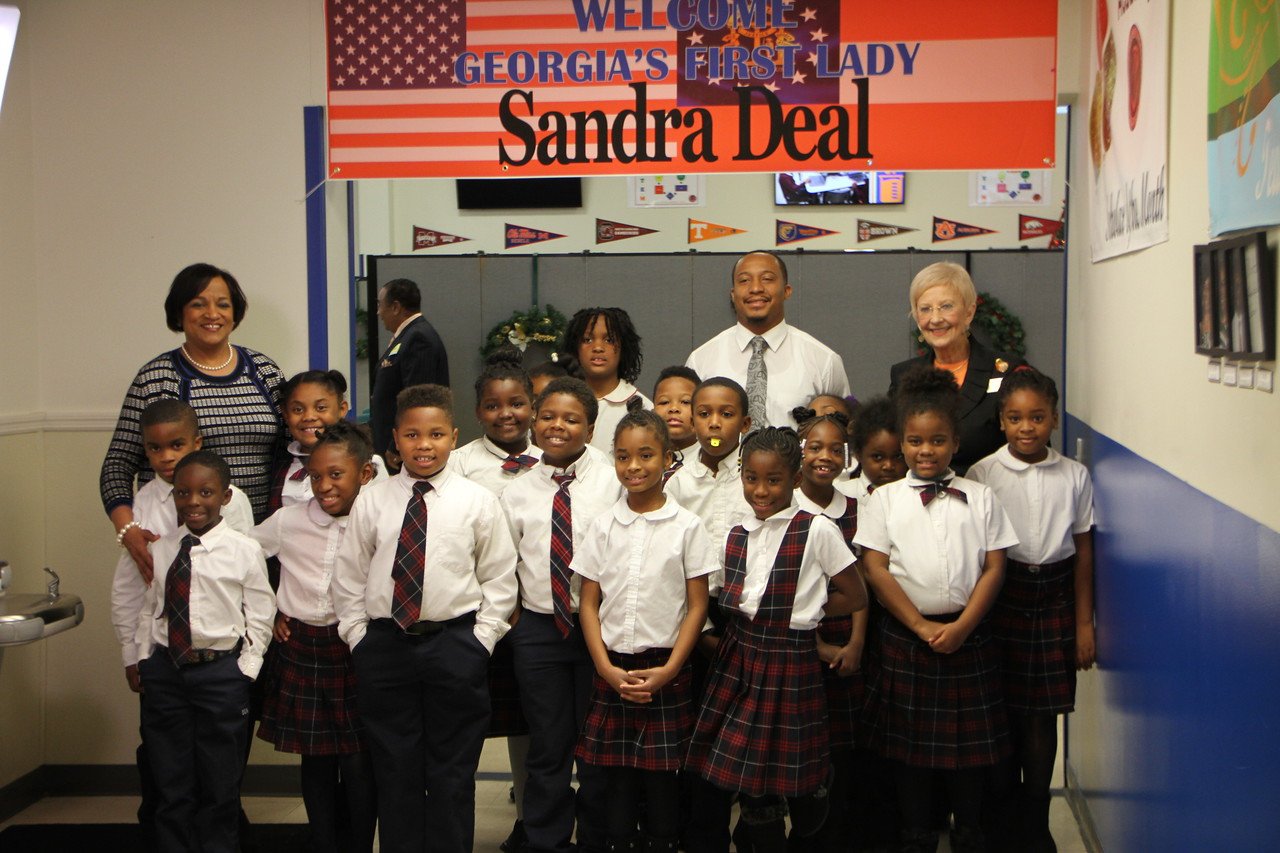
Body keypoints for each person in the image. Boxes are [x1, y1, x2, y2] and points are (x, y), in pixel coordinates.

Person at [332, 383, 517, 853]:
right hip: (385, 646)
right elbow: (350, 574)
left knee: (453, 772)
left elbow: (499, 577)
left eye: (436, 435)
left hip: (454, 645)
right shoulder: (372, 500)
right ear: (395, 439)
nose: (424, 445)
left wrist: (481, 640)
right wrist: (358, 637)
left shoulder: (477, 501)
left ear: (453, 437)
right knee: (395, 770)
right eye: (412, 435)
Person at [854, 367, 1018, 853]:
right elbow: (875, 568)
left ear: (955, 442)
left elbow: (994, 567)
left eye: (938, 441)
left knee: (969, 754)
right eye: (915, 441)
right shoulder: (883, 501)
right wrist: (920, 625)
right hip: (908, 639)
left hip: (969, 637)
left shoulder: (981, 497)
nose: (926, 451)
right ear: (903, 443)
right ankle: (916, 834)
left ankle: (968, 831)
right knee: (911, 754)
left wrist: (963, 626)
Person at [685, 427, 867, 853]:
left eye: (773, 480)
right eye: (751, 479)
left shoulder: (817, 530)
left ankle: (815, 793)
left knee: (790, 767)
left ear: (795, 479)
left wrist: (805, 613)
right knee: (748, 774)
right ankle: (762, 834)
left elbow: (855, 595)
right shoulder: (736, 533)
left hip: (790, 661)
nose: (761, 490)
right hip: (740, 660)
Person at [109, 400, 255, 850]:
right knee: (166, 772)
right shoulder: (143, 503)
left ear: (197, 442)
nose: (167, 456)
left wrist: (247, 663)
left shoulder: (233, 501)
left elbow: (248, 582)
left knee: (219, 775)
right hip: (163, 658)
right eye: (155, 449)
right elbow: (131, 586)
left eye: (176, 445)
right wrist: (133, 653)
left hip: (218, 662)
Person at [575, 406, 715, 852]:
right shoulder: (603, 525)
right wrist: (605, 668)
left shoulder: (687, 527)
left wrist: (671, 669)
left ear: (668, 458)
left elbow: (697, 606)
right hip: (612, 667)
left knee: (663, 786)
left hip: (665, 668)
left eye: (646, 455)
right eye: (623, 456)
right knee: (615, 784)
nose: (633, 466)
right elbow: (588, 602)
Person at [966, 368, 1096, 853]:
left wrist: (1084, 624)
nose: (1026, 427)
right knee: (999, 715)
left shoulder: (1075, 476)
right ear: (1001, 421)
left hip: (1054, 598)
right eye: (1016, 418)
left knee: (1042, 718)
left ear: (1054, 420)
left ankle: (1036, 824)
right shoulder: (983, 474)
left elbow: (1084, 553)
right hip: (1001, 596)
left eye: (1037, 417)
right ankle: (1001, 822)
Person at [499, 377, 622, 853]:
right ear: (534, 422)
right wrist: (515, 621)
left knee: (596, 743)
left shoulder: (613, 482)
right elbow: (504, 562)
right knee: (548, 742)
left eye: (571, 419)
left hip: (600, 629)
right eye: (548, 416)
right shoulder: (518, 491)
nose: (557, 426)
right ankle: (545, 839)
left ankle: (597, 838)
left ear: (590, 429)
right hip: (538, 629)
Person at [102, 263, 286, 577]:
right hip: (180, 547)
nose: (212, 314)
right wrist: (127, 531)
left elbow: (290, 452)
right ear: (179, 313)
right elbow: (117, 465)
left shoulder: (264, 371)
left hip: (259, 543)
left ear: (235, 313)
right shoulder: (156, 379)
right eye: (198, 304)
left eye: (223, 304)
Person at [135, 450, 275, 853]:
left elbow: (261, 613)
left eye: (206, 492)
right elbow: (152, 607)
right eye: (183, 492)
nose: (193, 501)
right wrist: (144, 656)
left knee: (219, 783)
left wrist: (245, 670)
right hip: (167, 673)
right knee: (171, 781)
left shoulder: (243, 550)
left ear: (225, 497)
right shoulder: (164, 548)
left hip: (220, 675)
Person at [250, 421, 378, 853]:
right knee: (316, 758)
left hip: (355, 649)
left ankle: (359, 845)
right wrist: (268, 611)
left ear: (365, 474)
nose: (324, 486)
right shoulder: (289, 520)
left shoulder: (377, 521)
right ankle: (323, 842)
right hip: (302, 648)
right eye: (315, 475)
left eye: (336, 475)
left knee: (358, 760)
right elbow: (241, 558)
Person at [448, 347, 541, 853]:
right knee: (469, 722)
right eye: (493, 405)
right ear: (477, 412)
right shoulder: (459, 465)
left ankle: (531, 822)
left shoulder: (552, 458)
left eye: (517, 403)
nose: (506, 413)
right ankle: (452, 829)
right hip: (477, 614)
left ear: (533, 405)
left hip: (537, 614)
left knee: (531, 724)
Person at [791, 406, 866, 853]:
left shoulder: (856, 509)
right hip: (799, 641)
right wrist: (815, 644)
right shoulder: (784, 506)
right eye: (815, 447)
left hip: (848, 637)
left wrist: (855, 642)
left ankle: (838, 834)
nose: (825, 457)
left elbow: (862, 586)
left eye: (836, 450)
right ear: (799, 451)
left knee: (842, 747)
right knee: (803, 743)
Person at [888, 262, 1027, 474]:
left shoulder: (1008, 372)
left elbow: (1032, 451)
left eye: (946, 306)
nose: (935, 319)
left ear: (969, 313)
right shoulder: (903, 376)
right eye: (925, 309)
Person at [686, 251, 850, 429]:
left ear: (787, 291)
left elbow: (841, 433)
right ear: (733, 294)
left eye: (767, 279)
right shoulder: (701, 360)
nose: (756, 288)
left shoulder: (824, 361)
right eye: (744, 280)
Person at [268, 369, 387, 514]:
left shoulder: (366, 462)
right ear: (285, 414)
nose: (309, 416)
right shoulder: (279, 467)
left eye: (321, 408)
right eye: (298, 410)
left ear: (342, 409)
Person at [369, 278, 450, 463]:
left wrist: (396, 446)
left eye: (380, 305)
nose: (378, 312)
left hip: (404, 450)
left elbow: (418, 399)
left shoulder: (419, 338)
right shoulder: (408, 336)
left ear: (395, 307)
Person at [562, 307, 652, 454]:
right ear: (575, 347)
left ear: (624, 347)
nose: (598, 347)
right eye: (587, 340)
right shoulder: (561, 401)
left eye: (609, 340)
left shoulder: (643, 407)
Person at [840, 396, 907, 501]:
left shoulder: (917, 496)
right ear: (858, 454)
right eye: (878, 457)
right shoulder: (841, 494)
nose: (888, 466)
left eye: (898, 456)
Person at [651, 365, 700, 472]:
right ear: (653, 412)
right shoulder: (643, 459)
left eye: (685, 402)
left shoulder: (709, 459)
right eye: (664, 402)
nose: (674, 408)